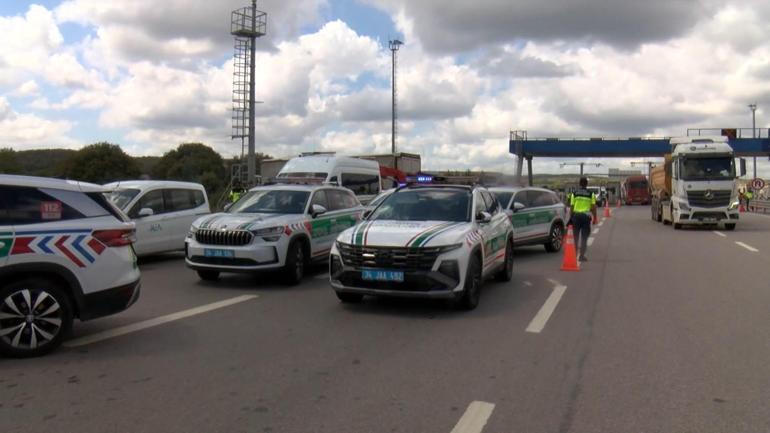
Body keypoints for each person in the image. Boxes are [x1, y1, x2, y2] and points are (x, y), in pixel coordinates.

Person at [569, 177, 597, 262]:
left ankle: (574, 255)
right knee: (584, 237)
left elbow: (571, 207)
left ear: (579, 183)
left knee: (575, 237)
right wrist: (595, 218)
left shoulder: (574, 193)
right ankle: (581, 256)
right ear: (587, 184)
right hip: (586, 217)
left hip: (576, 216)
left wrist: (571, 218)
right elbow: (593, 207)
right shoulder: (591, 194)